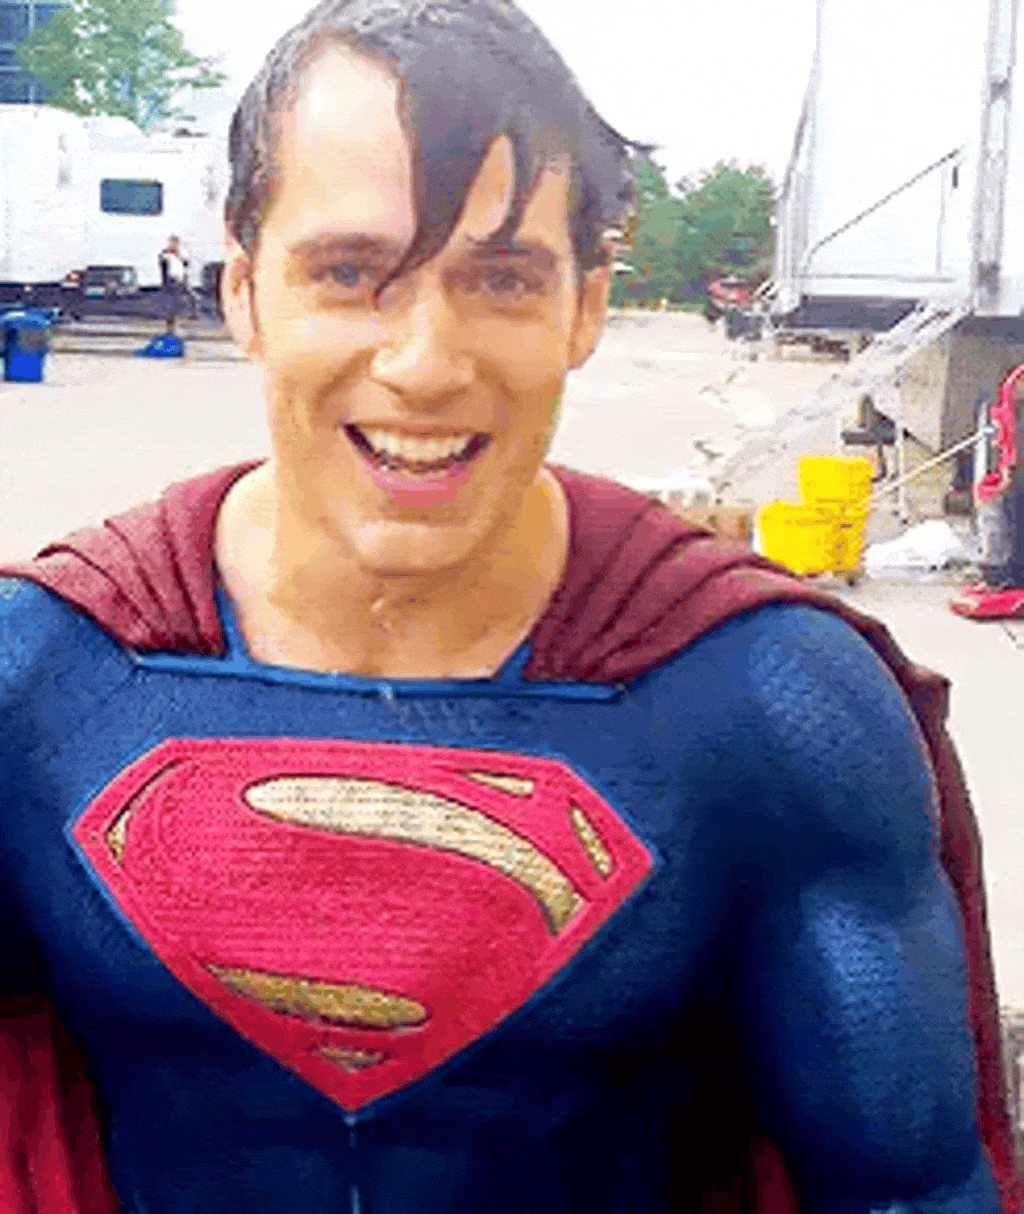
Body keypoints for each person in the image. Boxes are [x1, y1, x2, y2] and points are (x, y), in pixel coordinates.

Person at [0, 2, 1018, 1212]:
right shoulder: (39, 678)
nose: (426, 361)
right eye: (350, 273)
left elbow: (906, 1188)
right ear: (244, 292)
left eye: (499, 278)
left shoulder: (772, 703)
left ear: (583, 307)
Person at [157, 234, 191, 334]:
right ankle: (169, 328)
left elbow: (186, 264)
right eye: (171, 243)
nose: (173, 245)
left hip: (180, 283)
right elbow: (162, 262)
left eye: (175, 243)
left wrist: (178, 254)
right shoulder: (165, 255)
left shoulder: (182, 255)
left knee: (178, 306)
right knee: (169, 307)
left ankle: (176, 327)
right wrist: (168, 252)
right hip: (170, 283)